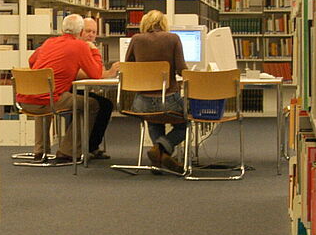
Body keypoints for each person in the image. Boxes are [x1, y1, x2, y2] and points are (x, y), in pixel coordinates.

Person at [16, 13, 102, 162]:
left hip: (24, 99)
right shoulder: (80, 46)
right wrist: (94, 50)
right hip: (50, 101)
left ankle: (40, 151)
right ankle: (67, 151)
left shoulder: (48, 42)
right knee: (91, 104)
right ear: (81, 31)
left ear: (62, 30)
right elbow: (96, 74)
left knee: (43, 95)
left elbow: (31, 61)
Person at [124, 10, 187, 174]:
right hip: (168, 99)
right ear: (164, 24)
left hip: (142, 102)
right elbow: (182, 70)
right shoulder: (173, 38)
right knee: (186, 123)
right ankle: (161, 148)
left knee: (153, 119)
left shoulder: (136, 39)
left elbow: (128, 67)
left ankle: (158, 160)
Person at [76, 17, 115, 159]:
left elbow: (98, 71)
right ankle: (90, 146)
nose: (91, 35)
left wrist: (107, 73)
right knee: (103, 105)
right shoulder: (77, 47)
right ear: (79, 31)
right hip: (69, 90)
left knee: (105, 104)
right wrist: (106, 73)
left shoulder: (91, 48)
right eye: (88, 31)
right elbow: (82, 73)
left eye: (94, 32)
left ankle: (92, 146)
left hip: (82, 89)